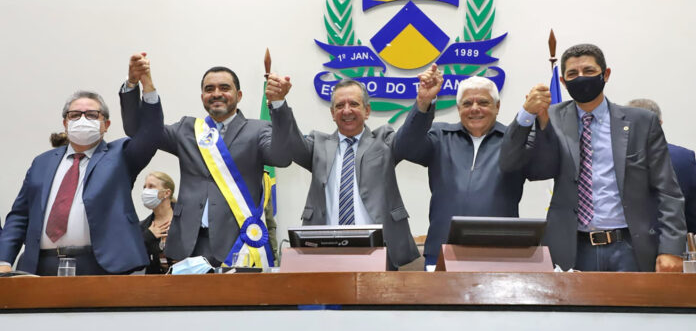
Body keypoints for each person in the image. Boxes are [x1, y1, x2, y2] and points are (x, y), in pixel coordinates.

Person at [501, 43, 686, 272]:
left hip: (630, 246)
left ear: (605, 74)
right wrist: (526, 115)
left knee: (631, 308)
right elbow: (512, 162)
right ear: (563, 81)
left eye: (588, 71)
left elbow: (667, 190)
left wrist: (671, 248)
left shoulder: (641, 122)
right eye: (572, 74)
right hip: (572, 248)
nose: (581, 78)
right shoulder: (552, 117)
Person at [0, 53, 163, 275]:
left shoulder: (121, 155)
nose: (82, 120)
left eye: (92, 115)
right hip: (41, 266)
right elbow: (20, 215)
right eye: (75, 115)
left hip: (103, 266)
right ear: (65, 123)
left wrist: (143, 85)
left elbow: (151, 134)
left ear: (105, 124)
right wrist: (4, 259)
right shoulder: (42, 162)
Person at [120, 62, 292, 267]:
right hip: (186, 244)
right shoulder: (187, 129)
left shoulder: (258, 130)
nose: (216, 93)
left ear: (239, 95)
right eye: (209, 89)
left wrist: (279, 105)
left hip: (237, 242)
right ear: (202, 97)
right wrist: (138, 85)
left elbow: (282, 158)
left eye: (224, 88)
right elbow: (139, 131)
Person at [265, 74, 419, 269]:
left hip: (378, 251)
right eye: (339, 106)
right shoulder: (318, 145)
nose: (346, 111)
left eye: (354, 104)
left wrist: (423, 103)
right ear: (332, 112)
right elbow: (291, 140)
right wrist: (279, 103)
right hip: (326, 252)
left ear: (367, 110)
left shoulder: (384, 141)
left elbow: (412, 135)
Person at [393, 65, 532, 267]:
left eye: (483, 102)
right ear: (459, 109)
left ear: (497, 106)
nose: (474, 108)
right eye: (467, 103)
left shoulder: (514, 141)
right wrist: (423, 102)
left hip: (501, 253)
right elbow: (405, 147)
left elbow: (544, 167)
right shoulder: (440, 136)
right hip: (442, 252)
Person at [627, 98, 696, 234]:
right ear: (660, 123)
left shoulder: (611, 159)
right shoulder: (685, 158)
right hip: (675, 244)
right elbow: (692, 212)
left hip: (627, 246)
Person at [139, 171, 176, 274]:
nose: (146, 191)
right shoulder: (143, 227)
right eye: (144, 187)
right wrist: (148, 236)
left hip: (189, 281)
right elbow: (132, 260)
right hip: (155, 284)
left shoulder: (186, 219)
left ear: (167, 193)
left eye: (151, 187)